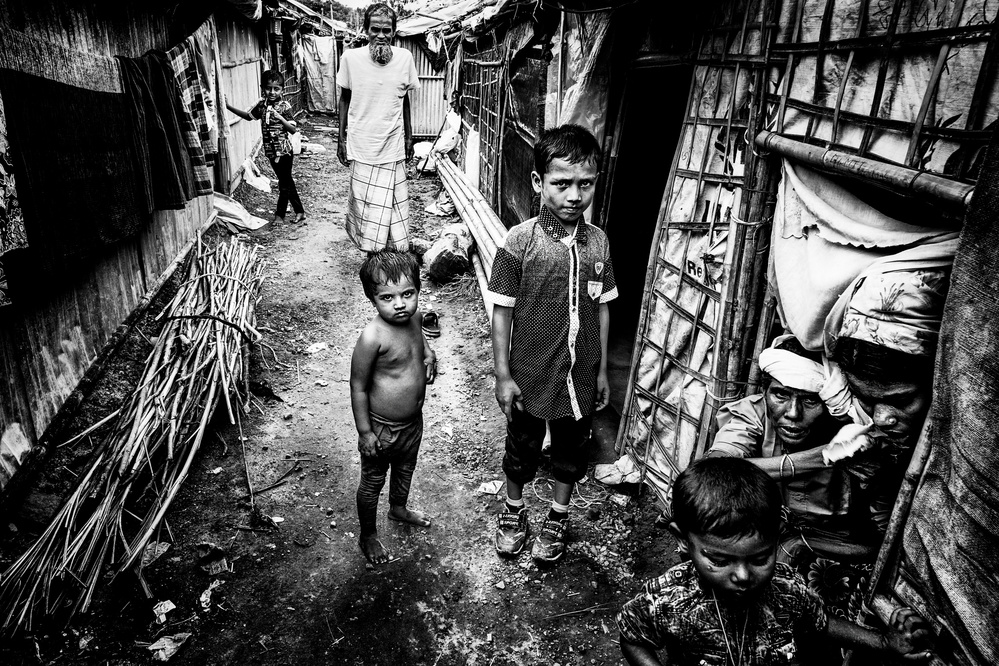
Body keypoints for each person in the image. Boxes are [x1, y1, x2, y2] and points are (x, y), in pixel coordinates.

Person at [616, 457, 936, 666]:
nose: (743, 575)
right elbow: (632, 637)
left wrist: (882, 641)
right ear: (684, 541)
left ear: (776, 537)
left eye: (760, 558)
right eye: (718, 559)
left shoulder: (786, 588)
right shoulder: (666, 598)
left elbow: (819, 622)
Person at [487, 124, 617, 564]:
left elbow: (602, 307)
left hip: (578, 376)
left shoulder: (598, 242)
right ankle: (514, 509)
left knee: (571, 448)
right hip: (528, 372)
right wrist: (503, 375)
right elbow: (502, 311)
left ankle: (559, 514)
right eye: (562, 184)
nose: (574, 196)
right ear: (539, 183)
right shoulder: (519, 242)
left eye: (586, 184)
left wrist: (599, 370)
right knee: (521, 446)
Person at [706, 335, 881, 623]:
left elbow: (880, 531)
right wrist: (822, 456)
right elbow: (715, 471)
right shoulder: (753, 413)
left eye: (810, 400)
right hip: (767, 538)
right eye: (781, 395)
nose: (792, 414)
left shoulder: (852, 432)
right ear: (765, 393)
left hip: (831, 543)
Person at [349, 249, 437, 564]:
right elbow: (358, 386)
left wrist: (429, 354)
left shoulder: (413, 317)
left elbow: (421, 342)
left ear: (418, 289)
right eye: (387, 297)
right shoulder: (372, 337)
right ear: (372, 299)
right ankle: (368, 535)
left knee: (406, 469)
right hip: (382, 429)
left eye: (407, 294)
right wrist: (365, 432)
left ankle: (398, 508)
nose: (399, 304)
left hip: (413, 423)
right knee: (372, 481)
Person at [336, 3, 420, 252]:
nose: (381, 35)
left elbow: (404, 100)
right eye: (375, 29)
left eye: (387, 30)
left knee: (395, 207)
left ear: (394, 32)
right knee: (365, 206)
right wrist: (341, 139)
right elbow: (344, 99)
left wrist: (409, 135)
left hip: (392, 143)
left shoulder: (405, 58)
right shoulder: (351, 58)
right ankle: (372, 254)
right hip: (362, 144)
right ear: (366, 30)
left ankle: (394, 255)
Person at [226, 70, 305, 224]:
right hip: (270, 151)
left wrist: (280, 118)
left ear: (282, 89)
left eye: (276, 89)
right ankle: (300, 211)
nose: (272, 92)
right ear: (263, 88)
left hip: (284, 151)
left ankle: (279, 215)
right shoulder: (262, 105)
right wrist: (228, 107)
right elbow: (248, 117)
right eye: (269, 88)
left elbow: (293, 130)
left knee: (284, 184)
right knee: (287, 181)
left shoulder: (284, 106)